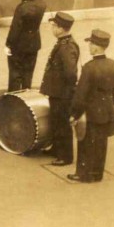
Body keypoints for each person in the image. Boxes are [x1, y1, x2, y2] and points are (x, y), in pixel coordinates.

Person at [67, 30, 114, 183]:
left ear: (97, 47)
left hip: (90, 112)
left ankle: (83, 174)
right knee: (101, 143)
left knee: (85, 142)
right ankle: (97, 173)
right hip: (107, 111)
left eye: (91, 43)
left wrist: (75, 114)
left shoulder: (89, 68)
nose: (89, 46)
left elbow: (80, 96)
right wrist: (109, 105)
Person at [39, 12, 79, 167]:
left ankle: (66, 156)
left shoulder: (66, 47)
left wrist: (62, 87)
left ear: (61, 28)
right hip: (58, 92)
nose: (52, 28)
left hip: (62, 93)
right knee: (56, 120)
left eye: (54, 26)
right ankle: (56, 148)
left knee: (62, 123)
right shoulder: (64, 43)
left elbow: (70, 74)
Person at [5, 0, 47, 91]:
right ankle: (26, 95)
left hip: (19, 45)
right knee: (28, 74)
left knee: (15, 74)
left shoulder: (22, 8)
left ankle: (13, 98)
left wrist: (8, 44)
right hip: (34, 43)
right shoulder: (41, 4)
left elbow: (15, 29)